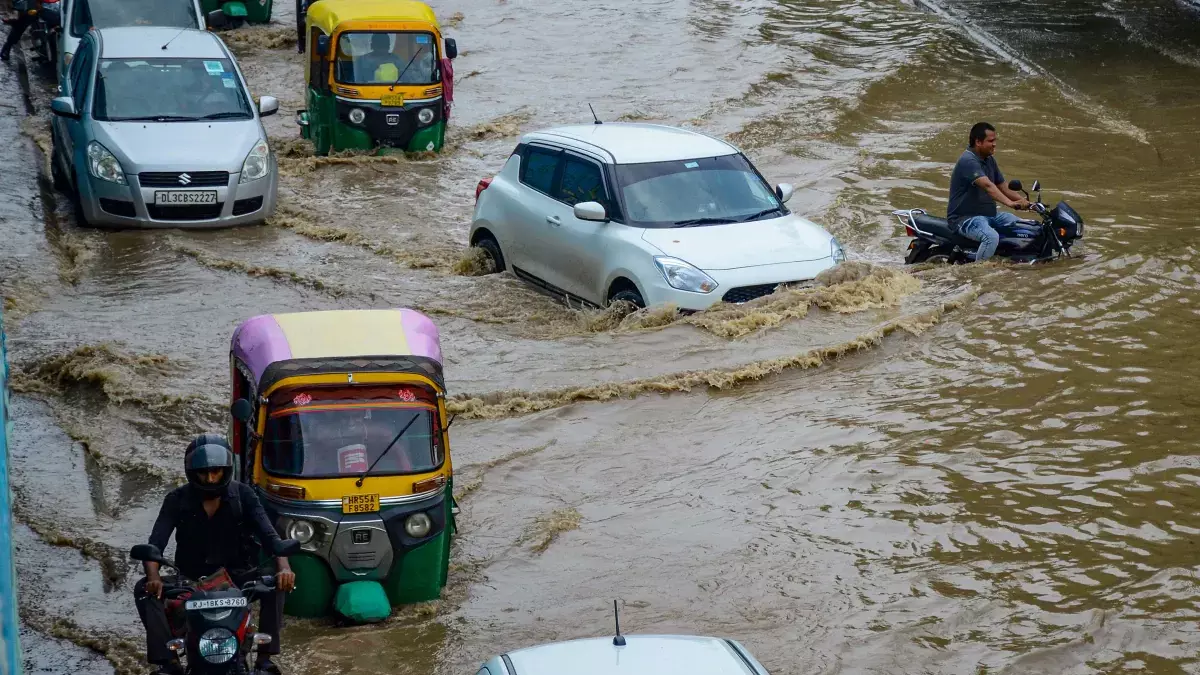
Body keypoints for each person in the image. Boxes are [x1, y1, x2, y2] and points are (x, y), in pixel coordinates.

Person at [135, 435, 296, 675]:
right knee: (143, 589)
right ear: (192, 472)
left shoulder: (244, 496)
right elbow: (154, 546)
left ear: (226, 470)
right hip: (191, 581)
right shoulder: (176, 500)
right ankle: (168, 662)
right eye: (204, 473)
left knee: (275, 582)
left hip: (239, 578)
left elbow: (271, 538)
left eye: (216, 472)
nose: (210, 479)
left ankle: (264, 658)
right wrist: (153, 576)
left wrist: (284, 567)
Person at [947, 121, 1031, 262]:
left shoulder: (989, 159)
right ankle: (979, 273)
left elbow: (1003, 186)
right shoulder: (968, 161)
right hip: (965, 219)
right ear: (978, 142)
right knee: (991, 237)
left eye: (995, 140)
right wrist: (1011, 204)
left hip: (989, 216)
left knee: (1021, 226)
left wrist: (1026, 202)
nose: (994, 144)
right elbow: (988, 186)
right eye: (990, 141)